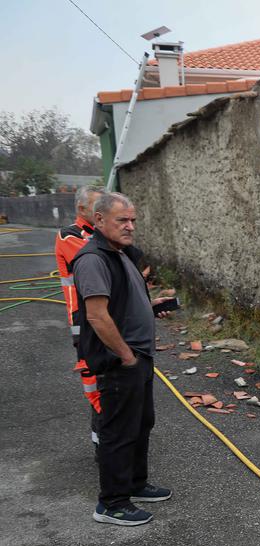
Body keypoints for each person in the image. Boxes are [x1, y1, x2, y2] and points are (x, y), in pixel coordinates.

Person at [72, 192, 173, 526]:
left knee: (141, 423)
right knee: (118, 431)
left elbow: (122, 300)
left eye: (133, 220)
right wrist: (126, 356)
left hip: (139, 357)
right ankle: (112, 503)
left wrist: (150, 306)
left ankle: (135, 484)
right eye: (122, 220)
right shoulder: (93, 259)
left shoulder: (119, 253)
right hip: (120, 362)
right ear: (99, 220)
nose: (130, 226)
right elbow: (97, 316)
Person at [55, 185, 104, 454]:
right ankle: (102, 447)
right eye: (97, 206)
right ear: (82, 208)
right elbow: (101, 260)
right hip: (84, 322)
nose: (102, 211)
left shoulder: (99, 234)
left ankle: (113, 440)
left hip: (106, 317)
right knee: (95, 385)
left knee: (112, 383)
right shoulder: (70, 235)